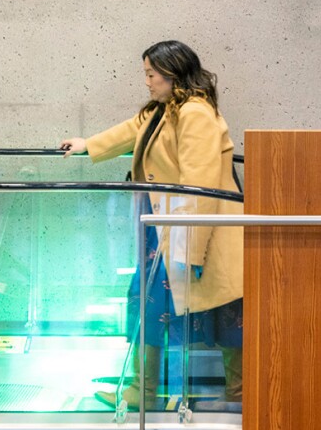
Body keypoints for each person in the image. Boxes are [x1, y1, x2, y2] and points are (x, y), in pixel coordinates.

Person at [61, 40, 243, 410]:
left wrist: (190, 246)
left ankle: (239, 392)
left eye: (151, 74)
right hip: (166, 228)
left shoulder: (195, 113)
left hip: (191, 230)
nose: (146, 81)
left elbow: (201, 184)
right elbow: (131, 131)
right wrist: (87, 145)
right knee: (148, 304)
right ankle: (141, 391)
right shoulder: (165, 109)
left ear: (173, 73)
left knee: (221, 311)